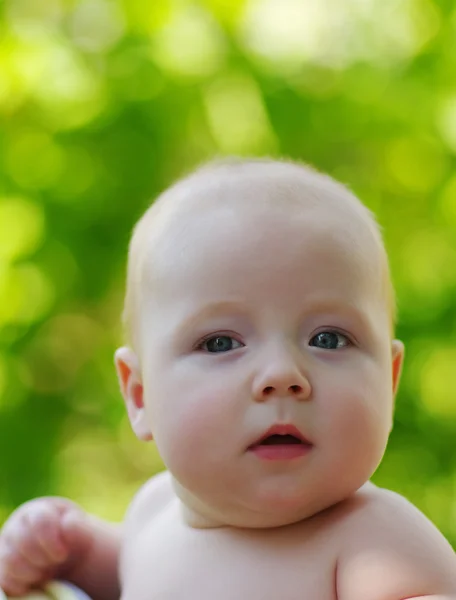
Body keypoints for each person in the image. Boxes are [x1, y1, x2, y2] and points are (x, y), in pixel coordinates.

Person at [0, 158, 455, 600]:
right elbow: (128, 578)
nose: (282, 375)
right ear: (140, 396)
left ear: (390, 385)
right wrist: (70, 550)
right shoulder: (153, 513)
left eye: (329, 339)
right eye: (220, 343)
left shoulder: (371, 541)